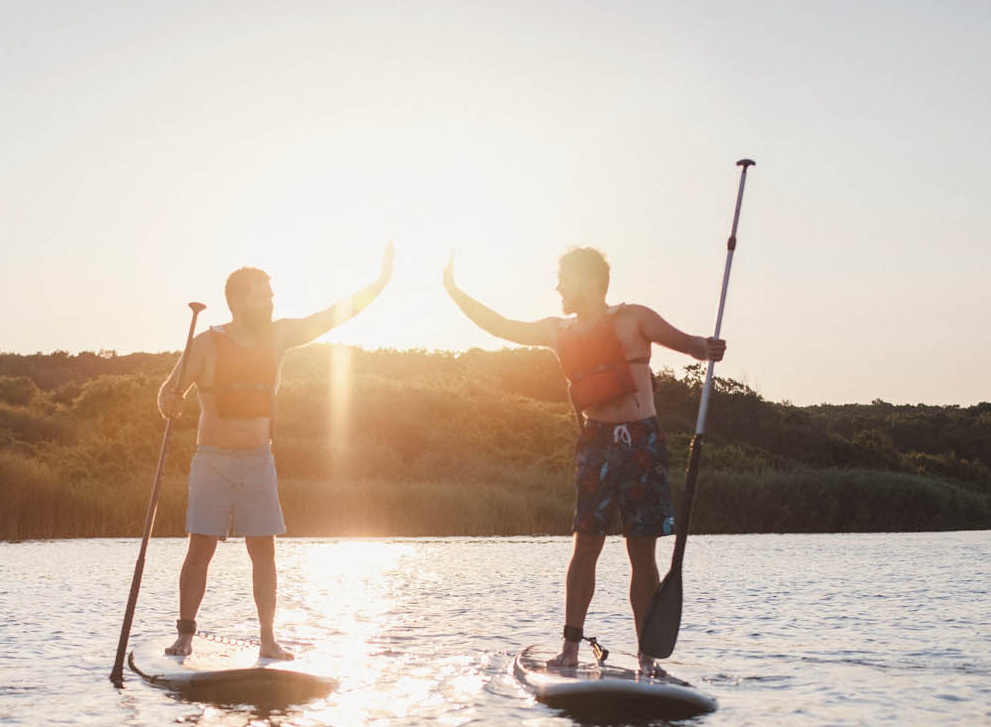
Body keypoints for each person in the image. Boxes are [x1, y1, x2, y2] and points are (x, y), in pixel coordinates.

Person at [442, 246, 724, 671]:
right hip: (596, 444)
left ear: (588, 281)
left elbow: (690, 346)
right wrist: (454, 291)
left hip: (642, 445)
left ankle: (647, 657)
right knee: (586, 544)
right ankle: (570, 649)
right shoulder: (558, 330)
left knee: (641, 553)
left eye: (564, 278)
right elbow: (500, 326)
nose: (557, 286)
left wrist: (709, 347)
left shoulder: (635, 318)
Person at [159, 243, 394, 659]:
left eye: (271, 294)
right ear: (238, 300)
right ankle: (185, 635)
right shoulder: (206, 344)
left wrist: (379, 284)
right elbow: (167, 393)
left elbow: (332, 316)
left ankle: (268, 639)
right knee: (201, 547)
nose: (270, 301)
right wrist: (170, 403)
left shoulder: (280, 335)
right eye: (262, 295)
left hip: (258, 459)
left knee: (263, 549)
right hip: (211, 460)